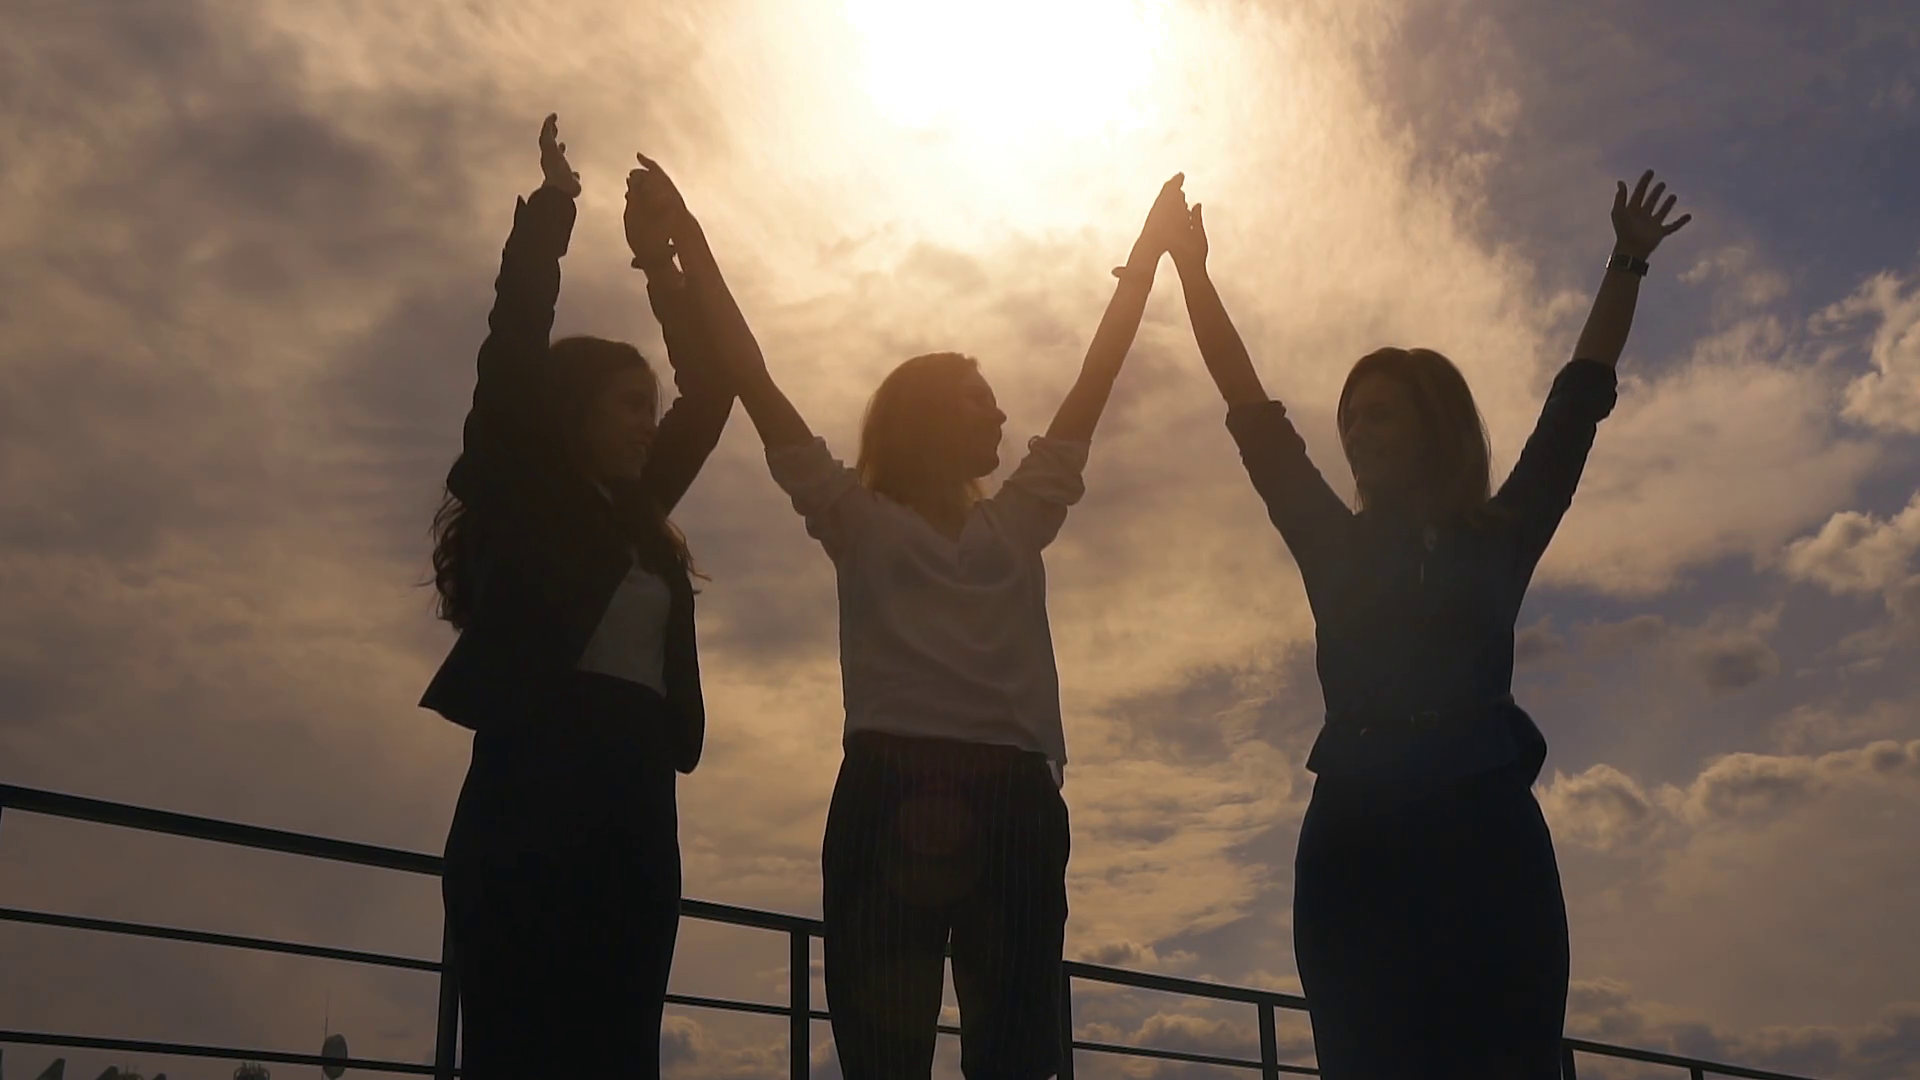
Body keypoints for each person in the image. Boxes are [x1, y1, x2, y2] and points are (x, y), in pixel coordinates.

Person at [635, 151, 1189, 1080]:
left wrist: (1146, 257)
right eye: (979, 400)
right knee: (885, 1061)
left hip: (1008, 799)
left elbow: (1097, 377)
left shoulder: (1016, 517)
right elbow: (752, 374)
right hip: (895, 789)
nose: (1001, 415)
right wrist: (688, 241)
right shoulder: (856, 516)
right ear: (929, 413)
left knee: (1016, 1061)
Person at [1167, 172, 1691, 1078]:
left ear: (1431, 426)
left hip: (1486, 834)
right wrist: (1193, 276)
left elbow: (1575, 408)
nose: (1356, 430)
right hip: (1357, 843)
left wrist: (1627, 263)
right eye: (1349, 416)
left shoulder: (1500, 536)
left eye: (1379, 412)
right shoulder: (1331, 541)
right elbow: (1252, 413)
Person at [419, 115, 734, 1080]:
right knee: (516, 1053)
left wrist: (664, 261)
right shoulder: (525, 487)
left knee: (621, 1054)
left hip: (636, 806)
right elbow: (514, 342)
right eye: (629, 406)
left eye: (650, 409)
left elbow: (713, 389)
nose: (647, 425)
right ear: (574, 412)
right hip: (530, 799)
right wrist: (554, 211)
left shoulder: (638, 511)